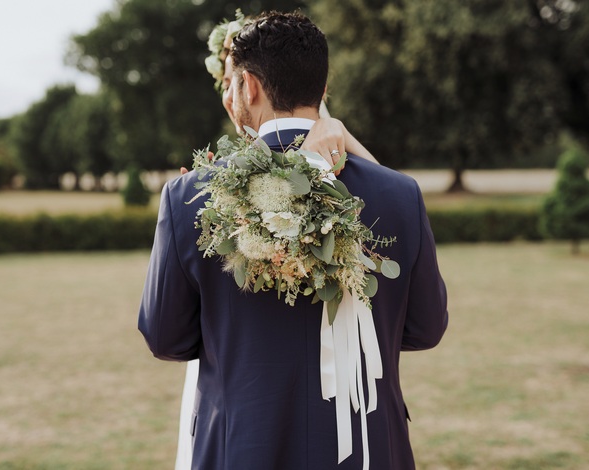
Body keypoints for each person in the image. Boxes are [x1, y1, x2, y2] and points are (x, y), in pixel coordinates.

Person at [140, 11, 448, 469]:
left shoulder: (192, 198)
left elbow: (165, 337)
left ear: (248, 87)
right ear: (322, 90)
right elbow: (425, 327)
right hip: (364, 448)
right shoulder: (399, 195)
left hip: (240, 447)